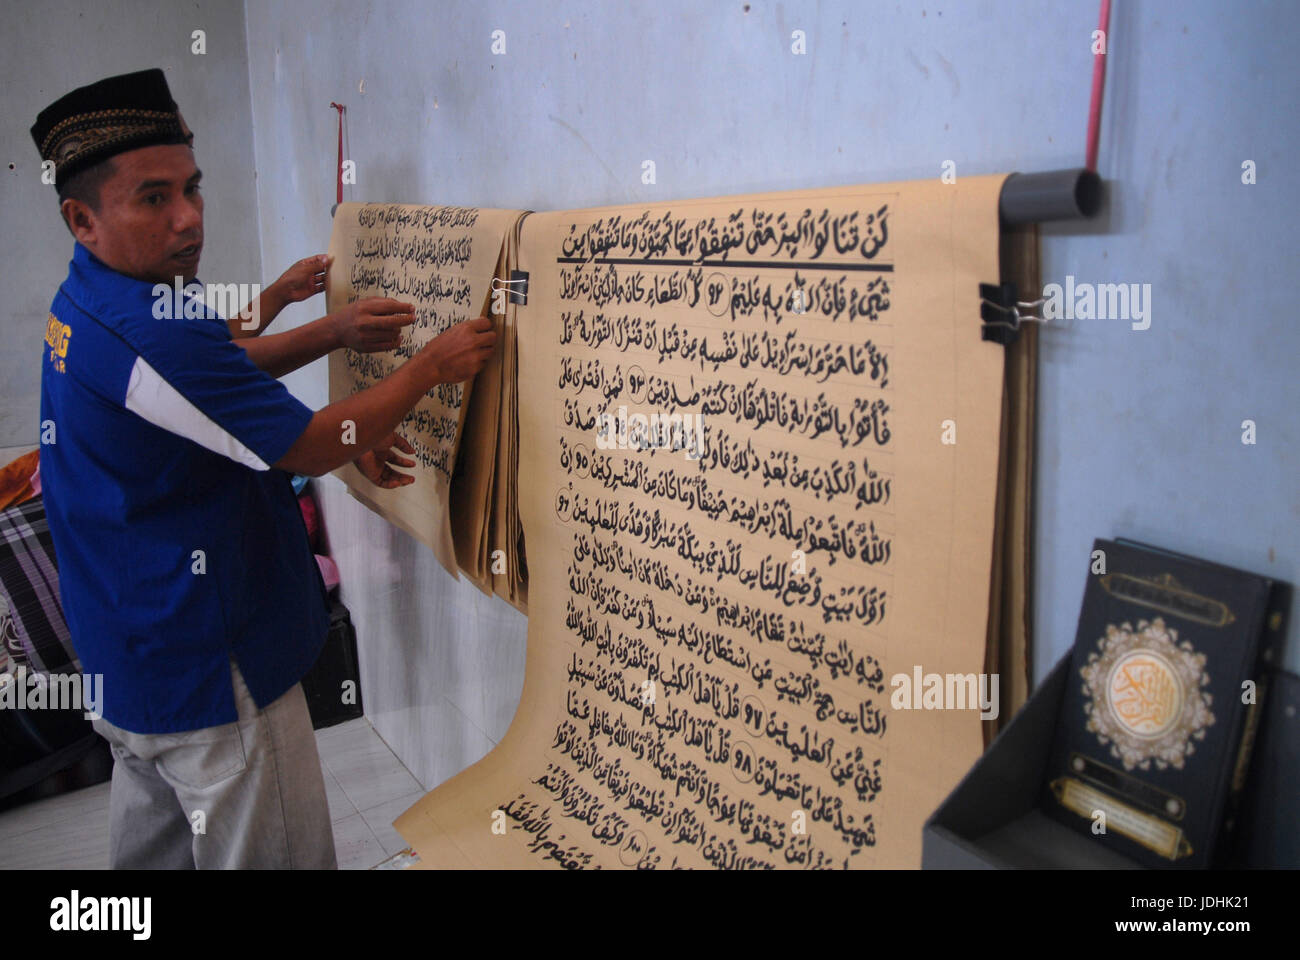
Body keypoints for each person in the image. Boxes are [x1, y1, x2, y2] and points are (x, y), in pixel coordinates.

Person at [30, 68, 493, 868]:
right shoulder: (150, 329)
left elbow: (222, 366)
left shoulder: (92, 300)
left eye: (193, 188)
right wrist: (427, 370)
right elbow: (308, 445)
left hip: (128, 656)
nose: (189, 219)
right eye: (153, 198)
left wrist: (329, 327)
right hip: (209, 668)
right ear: (82, 218)